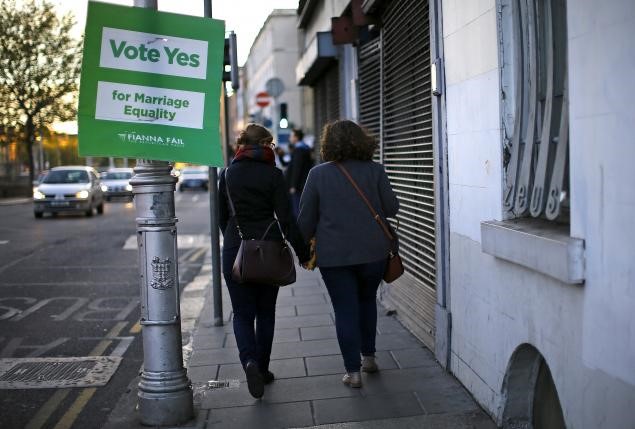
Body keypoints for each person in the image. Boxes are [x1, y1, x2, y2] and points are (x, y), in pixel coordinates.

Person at [297, 120, 399, 388]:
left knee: (344, 309)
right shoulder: (375, 170)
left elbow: (305, 220)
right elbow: (392, 208)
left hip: (334, 256)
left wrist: (301, 249)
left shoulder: (318, 175)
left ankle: (353, 373)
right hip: (374, 252)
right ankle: (369, 358)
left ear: (328, 144)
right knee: (367, 301)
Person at [218, 123, 310, 399]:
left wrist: (234, 241)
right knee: (266, 311)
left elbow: (221, 217)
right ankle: (263, 368)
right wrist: (303, 253)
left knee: (242, 313)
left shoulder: (228, 174)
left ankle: (249, 362)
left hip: (235, 248)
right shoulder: (273, 174)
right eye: (270, 144)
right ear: (263, 145)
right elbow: (286, 219)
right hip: (269, 248)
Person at [285, 128, 313, 217]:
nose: (290, 138)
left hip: (298, 186)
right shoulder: (305, 148)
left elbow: (297, 168)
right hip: (302, 184)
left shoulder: (299, 150)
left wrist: (293, 185)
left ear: (296, 137)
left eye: (291, 136)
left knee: (297, 209)